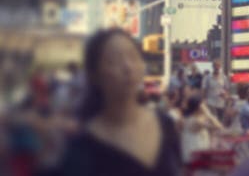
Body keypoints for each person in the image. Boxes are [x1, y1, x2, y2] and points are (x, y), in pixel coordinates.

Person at [57, 28, 182, 175]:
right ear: (94, 74)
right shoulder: (81, 146)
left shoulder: (165, 125)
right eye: (114, 60)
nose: (128, 67)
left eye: (133, 57)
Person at [180, 94, 224, 163]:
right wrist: (208, 113)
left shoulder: (196, 117)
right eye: (203, 104)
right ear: (198, 107)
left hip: (197, 152)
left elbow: (219, 126)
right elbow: (219, 127)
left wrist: (207, 115)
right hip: (194, 155)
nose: (205, 105)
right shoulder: (195, 121)